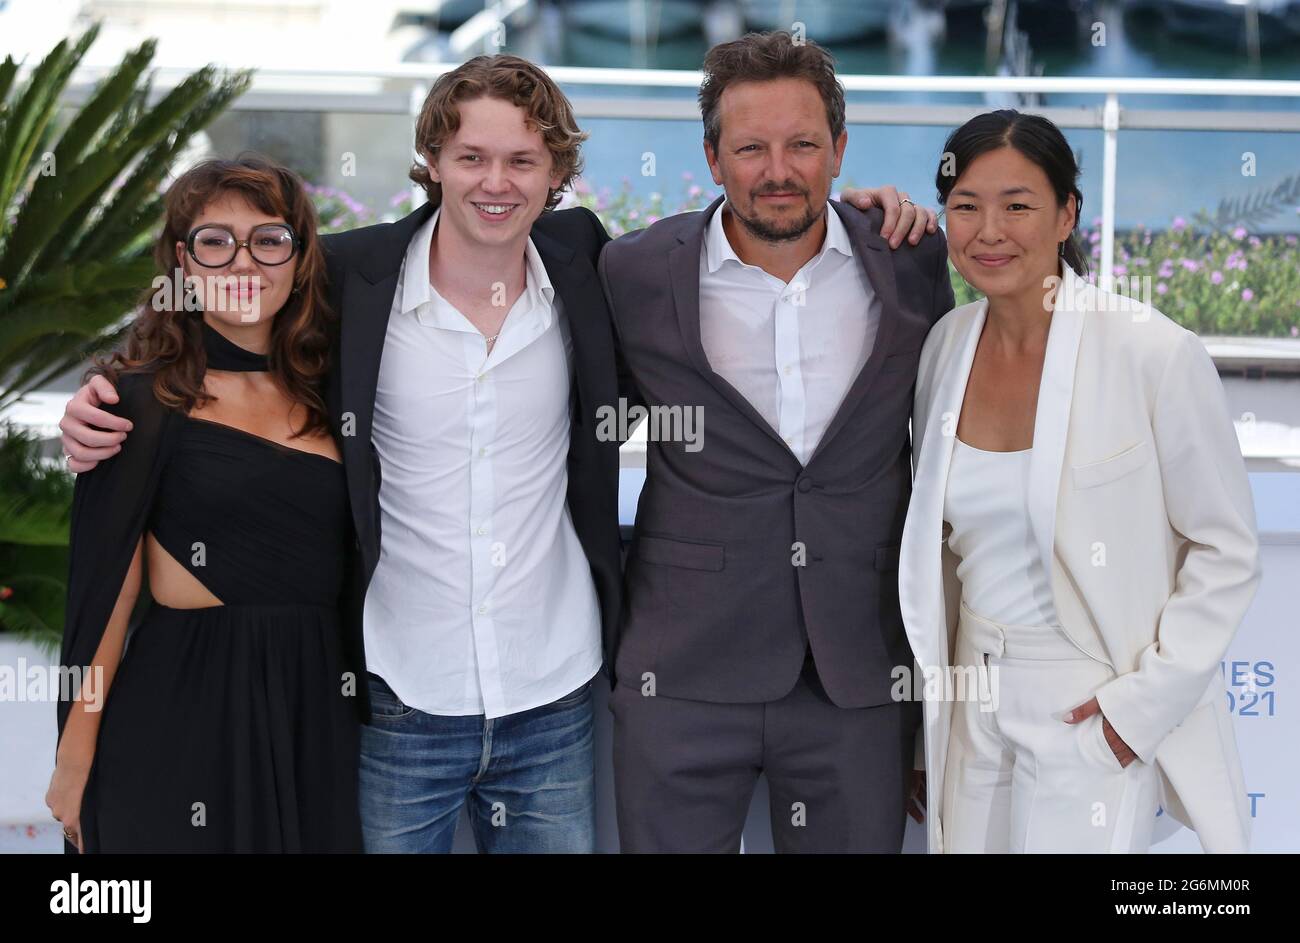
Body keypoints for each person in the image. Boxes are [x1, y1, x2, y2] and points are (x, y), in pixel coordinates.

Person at [58, 54, 928, 854]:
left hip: (551, 696)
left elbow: (750, 236)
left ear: (556, 174)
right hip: (395, 694)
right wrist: (110, 392)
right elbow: (236, 307)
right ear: (432, 160)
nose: (496, 182)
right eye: (472, 157)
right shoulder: (354, 279)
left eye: (522, 160)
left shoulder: (590, 262)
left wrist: (875, 210)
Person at [598, 31, 954, 853]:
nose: (778, 169)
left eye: (802, 144)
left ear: (839, 150)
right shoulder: (636, 271)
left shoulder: (910, 257)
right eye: (751, 147)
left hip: (858, 668)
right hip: (680, 669)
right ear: (713, 159)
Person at [898, 110, 1260, 853]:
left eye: (1018, 205)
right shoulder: (944, 347)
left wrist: (1138, 711)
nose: (988, 230)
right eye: (964, 206)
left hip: (1089, 702)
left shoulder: (1151, 351)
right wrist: (922, 728)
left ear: (1066, 214)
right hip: (971, 694)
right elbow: (939, 558)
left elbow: (1225, 548)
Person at [47, 156, 362, 852]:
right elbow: (106, 597)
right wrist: (74, 754)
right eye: (215, 241)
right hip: (180, 708)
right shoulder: (136, 401)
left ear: (300, 256)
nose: (243, 261)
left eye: (268, 239)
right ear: (183, 264)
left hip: (317, 711)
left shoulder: (338, 391)